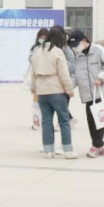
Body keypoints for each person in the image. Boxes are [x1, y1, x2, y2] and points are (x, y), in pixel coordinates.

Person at [68, 28, 104, 157]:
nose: (75, 47)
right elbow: (75, 75)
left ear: (84, 41)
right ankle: (99, 146)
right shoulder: (78, 56)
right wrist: (69, 87)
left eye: (76, 44)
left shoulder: (98, 50)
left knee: (100, 118)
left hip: (102, 91)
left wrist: (101, 78)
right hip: (88, 93)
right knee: (91, 120)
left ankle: (96, 145)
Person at [31, 26, 79, 158]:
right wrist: (69, 89)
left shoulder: (37, 51)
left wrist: (34, 88)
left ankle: (48, 150)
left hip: (42, 91)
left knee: (46, 121)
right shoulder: (58, 52)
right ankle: (68, 150)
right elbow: (64, 73)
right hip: (56, 90)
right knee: (64, 120)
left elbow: (33, 73)